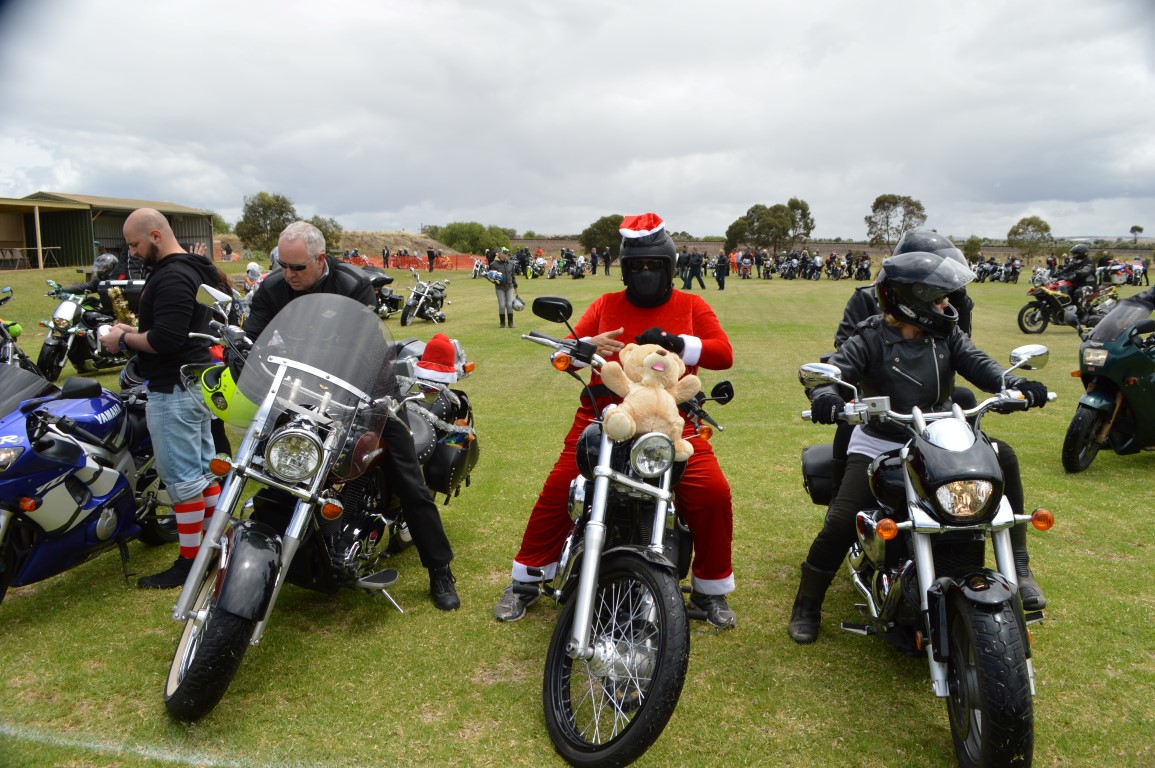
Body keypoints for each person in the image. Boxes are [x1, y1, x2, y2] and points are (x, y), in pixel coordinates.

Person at [789, 251, 1050, 644]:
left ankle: (1020, 567)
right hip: (880, 440)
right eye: (939, 298)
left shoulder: (947, 336)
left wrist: (1011, 384)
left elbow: (981, 364)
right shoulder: (870, 336)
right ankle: (807, 603)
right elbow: (837, 369)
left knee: (1003, 457)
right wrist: (825, 393)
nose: (947, 305)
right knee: (842, 519)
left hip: (937, 436)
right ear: (913, 300)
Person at [493, 212, 738, 628]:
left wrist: (678, 343)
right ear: (624, 269)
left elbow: (723, 353)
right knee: (562, 485)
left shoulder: (692, 305)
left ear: (670, 268)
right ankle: (527, 579)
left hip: (672, 418)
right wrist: (587, 344)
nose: (645, 273)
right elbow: (565, 349)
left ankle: (710, 589)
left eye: (654, 266)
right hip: (603, 414)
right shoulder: (606, 304)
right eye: (637, 267)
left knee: (712, 492)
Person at [244, 221, 460, 610]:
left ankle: (439, 569)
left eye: (298, 267)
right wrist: (242, 353)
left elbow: (360, 345)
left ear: (320, 258)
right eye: (283, 266)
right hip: (300, 390)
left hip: (367, 387)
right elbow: (252, 338)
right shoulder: (272, 287)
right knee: (269, 460)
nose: (289, 275)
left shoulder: (352, 284)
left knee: (408, 477)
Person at [100, 209, 220, 589]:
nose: (132, 253)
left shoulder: (171, 276)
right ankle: (212, 551)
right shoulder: (194, 268)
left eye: (134, 244)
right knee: (203, 473)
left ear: (155, 235)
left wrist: (122, 338)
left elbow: (166, 339)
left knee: (183, 481)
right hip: (194, 383)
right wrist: (136, 330)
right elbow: (177, 330)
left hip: (173, 389)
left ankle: (190, 563)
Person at [489, 247, 519, 328]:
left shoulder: (511, 263)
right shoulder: (493, 264)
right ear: (500, 254)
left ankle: (510, 323)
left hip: (509, 287)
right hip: (499, 288)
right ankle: (502, 323)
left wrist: (515, 285)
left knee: (509, 304)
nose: (506, 255)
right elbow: (490, 277)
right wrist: (495, 281)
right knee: (502, 305)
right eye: (505, 253)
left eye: (507, 253)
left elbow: (512, 276)